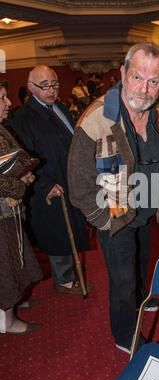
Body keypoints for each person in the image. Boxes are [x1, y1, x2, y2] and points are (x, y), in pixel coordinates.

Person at [68, 42, 159, 353]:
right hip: (114, 214)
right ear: (124, 73)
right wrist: (104, 220)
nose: (145, 89)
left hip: (145, 209)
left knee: (141, 261)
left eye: (154, 81)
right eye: (138, 77)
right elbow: (78, 184)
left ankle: (141, 298)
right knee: (122, 277)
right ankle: (125, 334)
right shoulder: (96, 118)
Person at [10, 65, 92, 295]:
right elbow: (25, 157)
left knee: (70, 229)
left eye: (54, 83)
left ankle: (69, 272)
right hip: (47, 183)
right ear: (30, 87)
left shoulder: (59, 107)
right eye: (43, 85)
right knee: (57, 231)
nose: (51, 89)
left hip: (67, 178)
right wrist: (44, 184)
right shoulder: (24, 117)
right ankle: (64, 279)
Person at [0, 79, 43, 336]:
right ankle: (8, 322)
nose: (8, 103)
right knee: (6, 267)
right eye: (3, 98)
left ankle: (13, 306)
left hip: (9, 211)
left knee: (14, 261)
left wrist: (24, 172)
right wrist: (21, 181)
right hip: (2, 213)